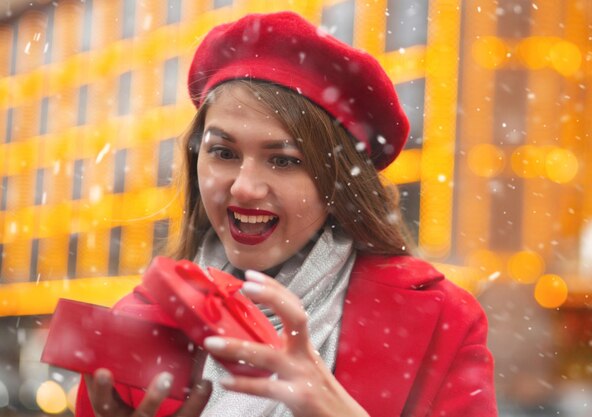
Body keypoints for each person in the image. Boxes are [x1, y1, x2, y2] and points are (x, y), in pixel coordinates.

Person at [74, 11, 496, 417]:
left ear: (337, 183)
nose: (244, 186)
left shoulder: (444, 320)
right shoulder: (134, 324)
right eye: (223, 153)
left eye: (284, 161)